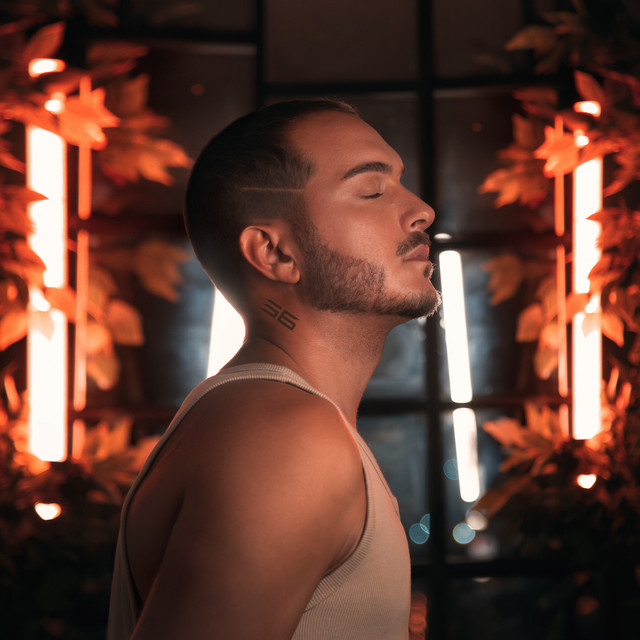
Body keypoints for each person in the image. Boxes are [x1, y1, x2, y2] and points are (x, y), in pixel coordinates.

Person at [107, 99, 440, 640]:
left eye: (401, 183)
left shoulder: (271, 420)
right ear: (274, 253)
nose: (422, 210)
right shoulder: (287, 438)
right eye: (372, 191)